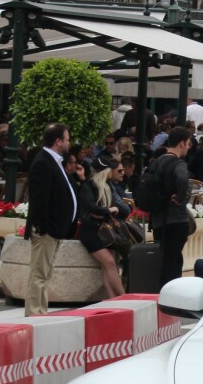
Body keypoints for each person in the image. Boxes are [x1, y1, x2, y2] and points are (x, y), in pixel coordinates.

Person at [24, 123, 77, 316]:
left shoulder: (55, 162)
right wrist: (45, 228)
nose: (69, 142)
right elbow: (39, 200)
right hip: (46, 231)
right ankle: (34, 314)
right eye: (67, 138)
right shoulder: (43, 163)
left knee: (45, 274)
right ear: (58, 141)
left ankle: (40, 311)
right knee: (39, 274)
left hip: (54, 230)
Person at [77, 156, 130, 300]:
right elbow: (90, 207)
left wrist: (106, 210)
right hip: (91, 231)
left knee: (107, 266)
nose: (112, 172)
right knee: (110, 262)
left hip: (105, 231)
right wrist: (108, 210)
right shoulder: (89, 186)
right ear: (104, 171)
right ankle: (123, 297)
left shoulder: (107, 186)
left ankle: (113, 299)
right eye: (110, 170)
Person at [149, 127, 195, 286]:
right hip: (176, 220)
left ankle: (163, 294)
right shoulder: (178, 163)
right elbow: (182, 178)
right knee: (172, 262)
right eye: (188, 143)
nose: (189, 147)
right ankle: (169, 297)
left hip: (158, 221)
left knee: (167, 260)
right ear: (181, 143)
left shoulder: (156, 163)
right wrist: (181, 197)